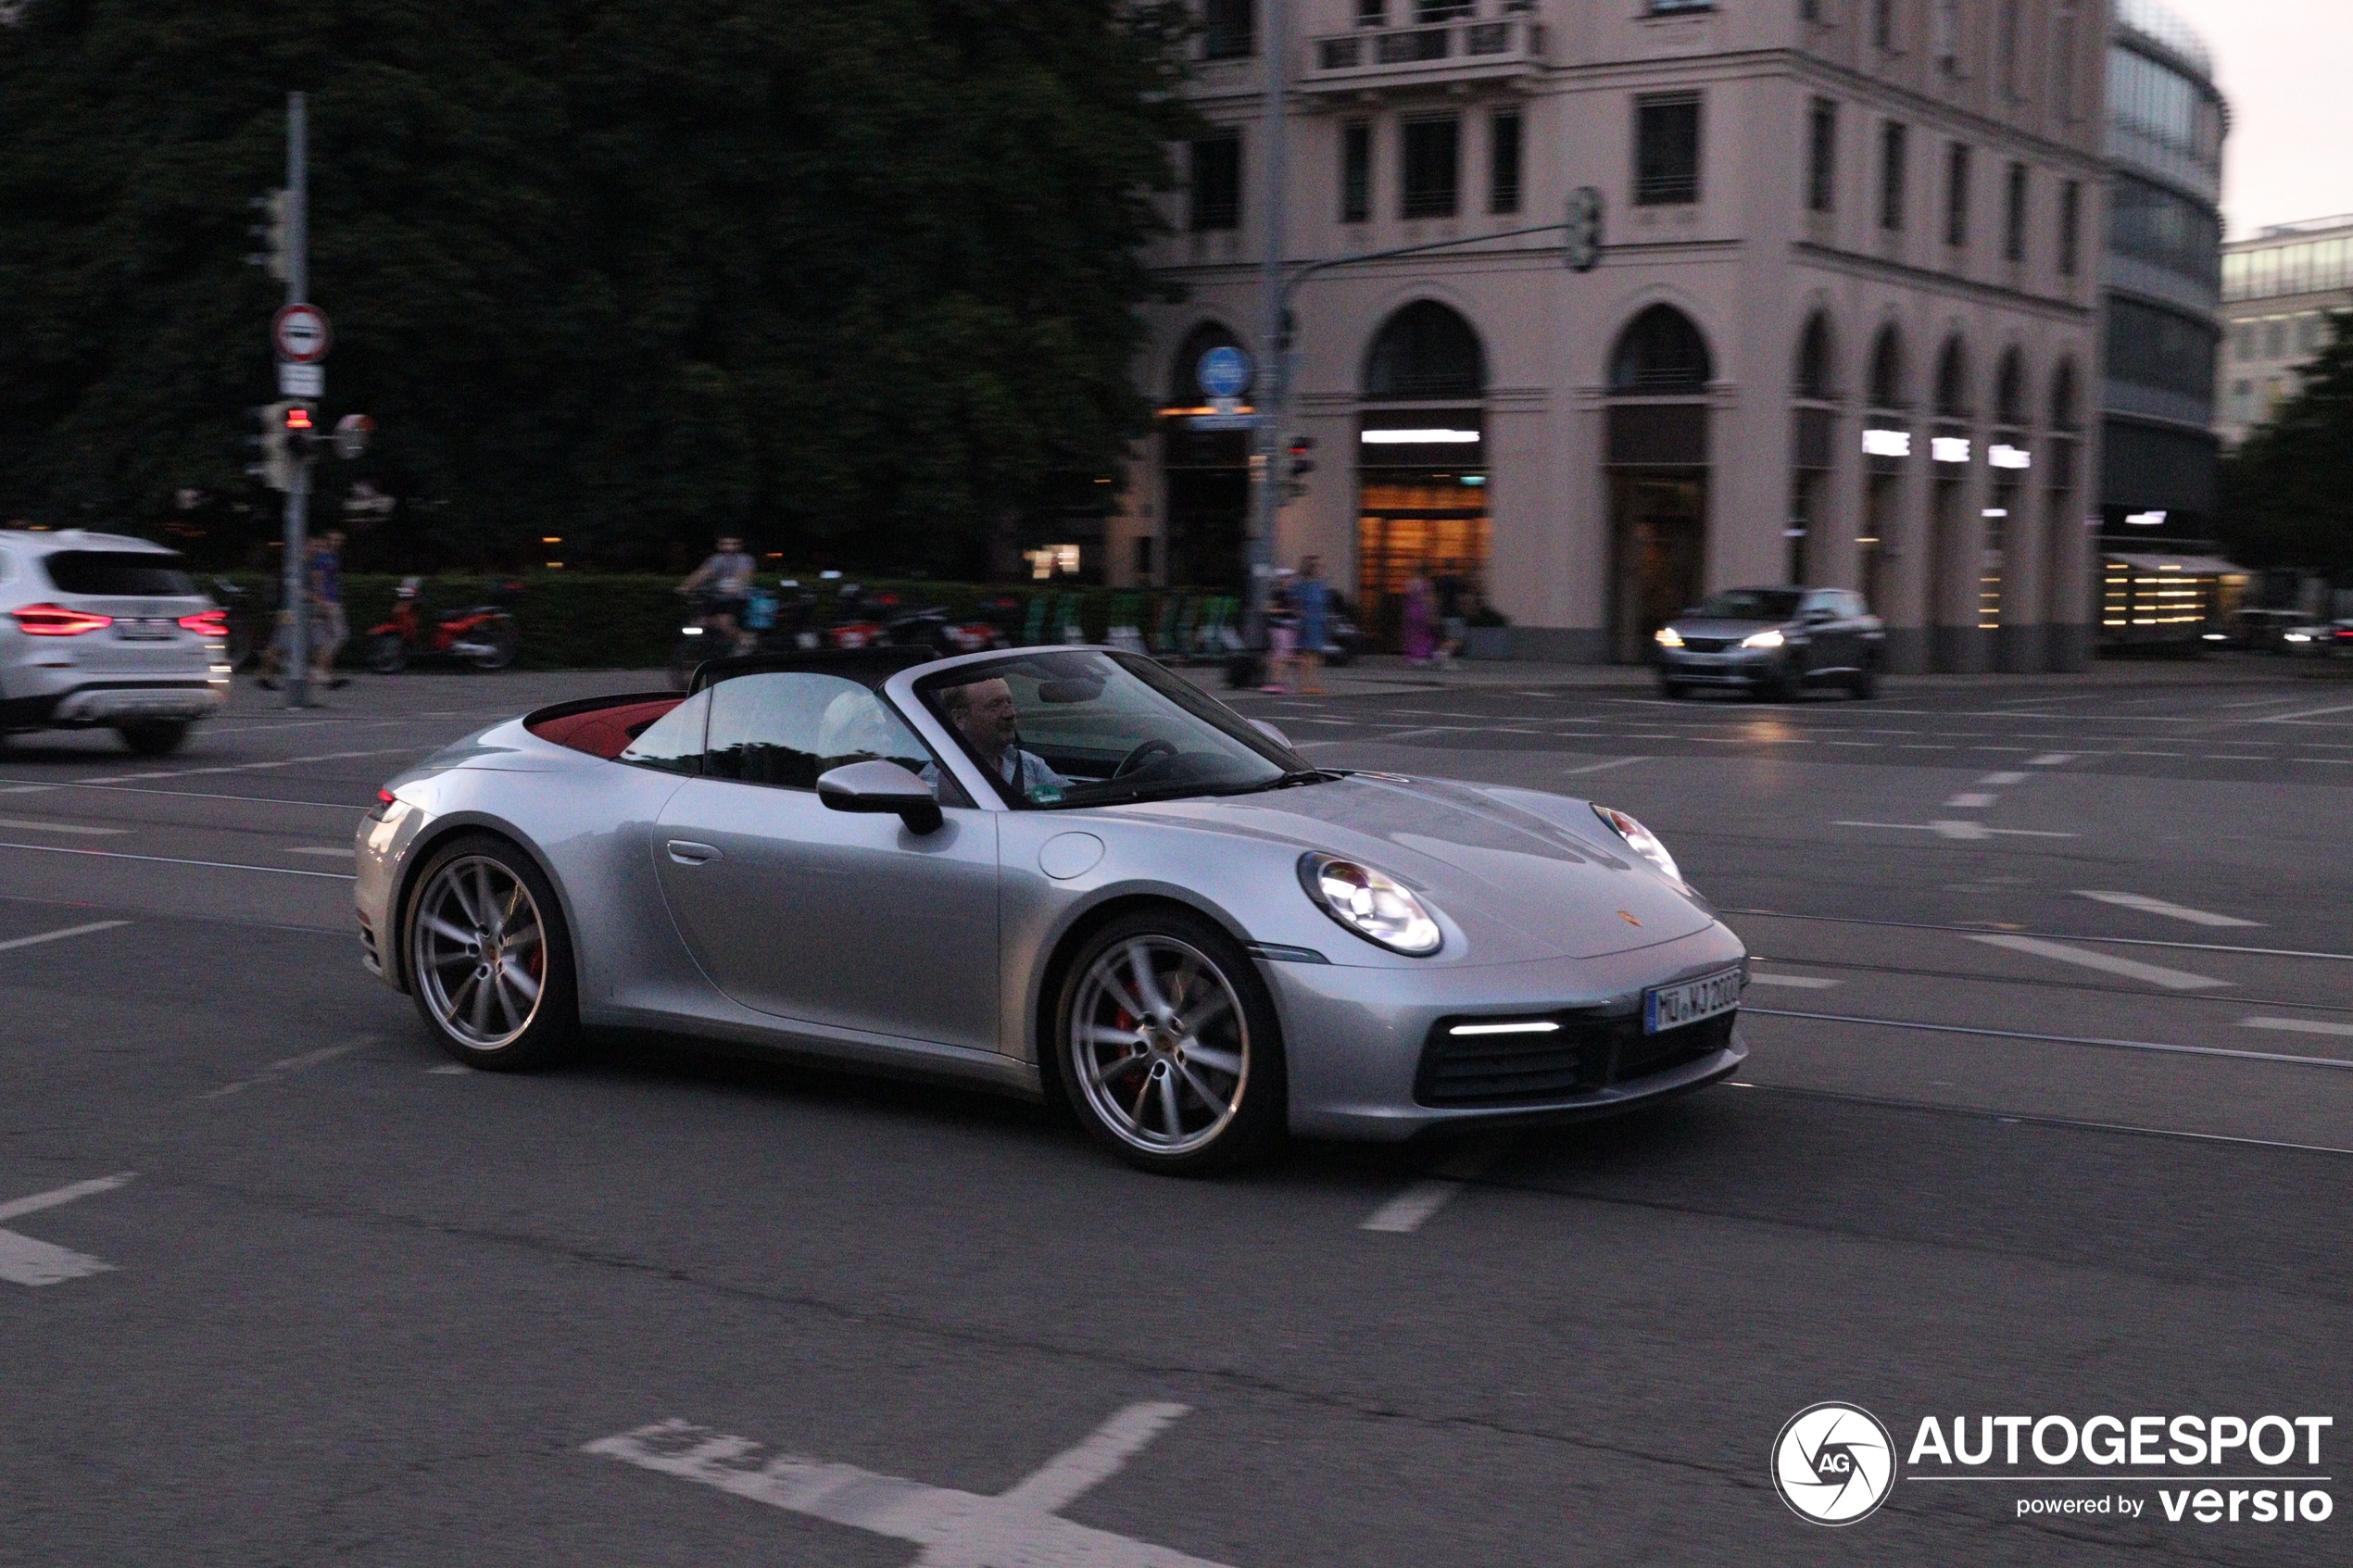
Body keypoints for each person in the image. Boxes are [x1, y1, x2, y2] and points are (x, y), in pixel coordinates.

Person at [935, 676, 1068, 801]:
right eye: (995, 705)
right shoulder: (937, 780)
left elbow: (1071, 796)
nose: (1010, 713)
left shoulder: (1028, 764)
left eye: (1009, 702)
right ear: (960, 719)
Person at [677, 534, 756, 653]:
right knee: (700, 621)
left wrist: (736, 587)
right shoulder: (716, 559)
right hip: (717, 598)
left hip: (737, 598)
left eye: (733, 544)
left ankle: (744, 641)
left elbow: (744, 575)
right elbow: (702, 573)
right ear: (720, 545)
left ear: (739, 546)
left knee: (724, 622)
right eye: (725, 544)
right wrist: (685, 586)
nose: (729, 547)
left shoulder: (744, 559)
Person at [308, 530, 349, 689]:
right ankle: (319, 670)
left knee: (328, 638)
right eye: (334, 540)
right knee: (340, 635)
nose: (337, 543)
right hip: (328, 602)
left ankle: (322, 671)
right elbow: (317, 578)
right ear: (328, 540)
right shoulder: (322, 558)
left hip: (332, 600)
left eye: (340, 541)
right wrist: (321, 600)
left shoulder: (332, 557)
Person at [1293, 555, 1330, 696]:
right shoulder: (1304, 586)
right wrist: (1302, 615)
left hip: (1319, 622)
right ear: (1312, 569)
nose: (1322, 569)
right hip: (1309, 622)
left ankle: (1312, 683)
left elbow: (1325, 604)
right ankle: (1306, 684)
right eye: (1319, 567)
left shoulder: (1320, 585)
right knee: (1308, 654)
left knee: (1316, 656)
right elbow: (1297, 603)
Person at [1434, 562, 1469, 669]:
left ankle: (1447, 662)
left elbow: (1438, 598)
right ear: (1455, 568)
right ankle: (1440, 653)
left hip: (1444, 613)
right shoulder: (1458, 581)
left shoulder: (1440, 581)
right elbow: (1462, 598)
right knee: (1458, 639)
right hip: (1455, 613)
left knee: (1448, 637)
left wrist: (1436, 612)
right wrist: (1465, 611)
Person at [1401, 571, 1438, 666]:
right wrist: (1432, 612)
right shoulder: (1427, 584)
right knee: (1424, 634)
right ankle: (1421, 654)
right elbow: (1429, 599)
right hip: (1422, 610)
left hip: (1411, 611)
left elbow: (1407, 598)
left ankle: (1412, 655)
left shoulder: (1410, 583)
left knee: (1412, 633)